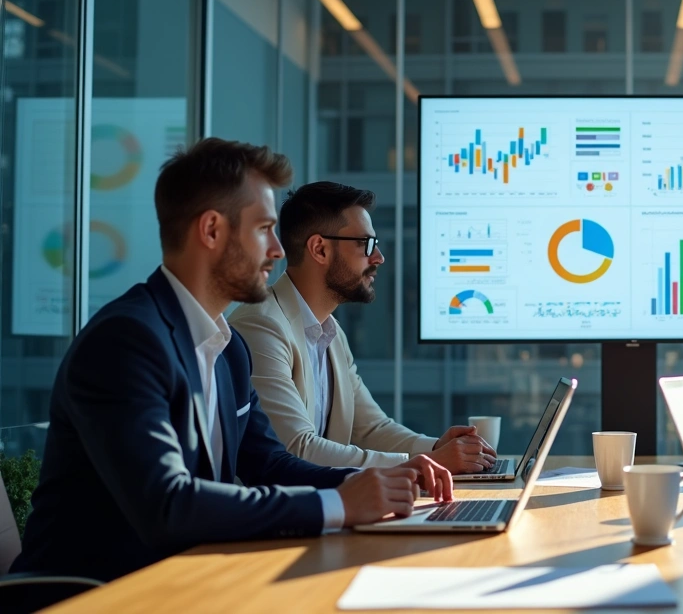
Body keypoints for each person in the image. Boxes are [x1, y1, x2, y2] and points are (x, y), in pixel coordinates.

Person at [11, 139, 452, 583]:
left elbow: (270, 463)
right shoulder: (126, 341)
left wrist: (380, 480)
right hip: (93, 595)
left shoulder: (229, 349)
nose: (277, 249)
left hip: (187, 583)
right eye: (264, 229)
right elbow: (168, 504)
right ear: (211, 230)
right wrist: (339, 503)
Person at [228, 182, 496, 472]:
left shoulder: (331, 333)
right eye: (365, 244)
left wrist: (435, 448)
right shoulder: (261, 327)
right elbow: (296, 449)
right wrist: (425, 463)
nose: (379, 257)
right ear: (320, 249)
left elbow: (370, 428)